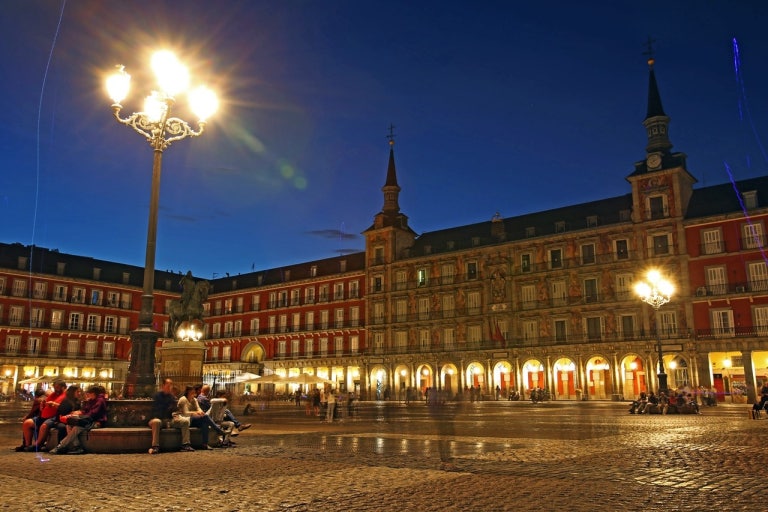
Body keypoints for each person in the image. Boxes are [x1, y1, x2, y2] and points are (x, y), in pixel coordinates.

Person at [50, 385, 107, 455]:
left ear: (93, 393)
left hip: (96, 422)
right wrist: (79, 413)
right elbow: (85, 410)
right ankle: (77, 447)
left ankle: (60, 446)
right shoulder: (91, 400)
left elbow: (93, 413)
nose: (87, 395)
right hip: (87, 421)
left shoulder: (100, 401)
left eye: (89, 393)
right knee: (68, 426)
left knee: (76, 428)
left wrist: (80, 415)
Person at [19, 379, 67, 452]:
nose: (55, 389)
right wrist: (43, 405)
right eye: (54, 387)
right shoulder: (53, 394)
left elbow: (66, 407)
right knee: (27, 423)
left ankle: (37, 445)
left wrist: (54, 404)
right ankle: (27, 445)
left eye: (57, 387)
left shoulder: (66, 396)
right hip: (43, 416)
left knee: (44, 426)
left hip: (54, 418)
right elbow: (45, 403)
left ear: (63, 387)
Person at [148, 378, 193, 454]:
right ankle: (155, 446)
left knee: (185, 422)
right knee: (156, 422)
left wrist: (176, 413)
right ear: (163, 386)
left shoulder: (171, 397)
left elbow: (174, 410)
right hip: (158, 419)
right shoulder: (157, 396)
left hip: (169, 419)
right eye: (168, 385)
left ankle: (186, 444)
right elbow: (156, 410)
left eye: (171, 385)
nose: (170, 387)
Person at [51, 385, 82, 451]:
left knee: (72, 426)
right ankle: (61, 447)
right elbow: (62, 414)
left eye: (80, 392)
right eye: (77, 392)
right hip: (61, 421)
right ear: (72, 392)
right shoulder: (66, 401)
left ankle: (69, 446)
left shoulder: (77, 401)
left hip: (71, 420)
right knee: (62, 427)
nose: (79, 393)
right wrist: (72, 413)